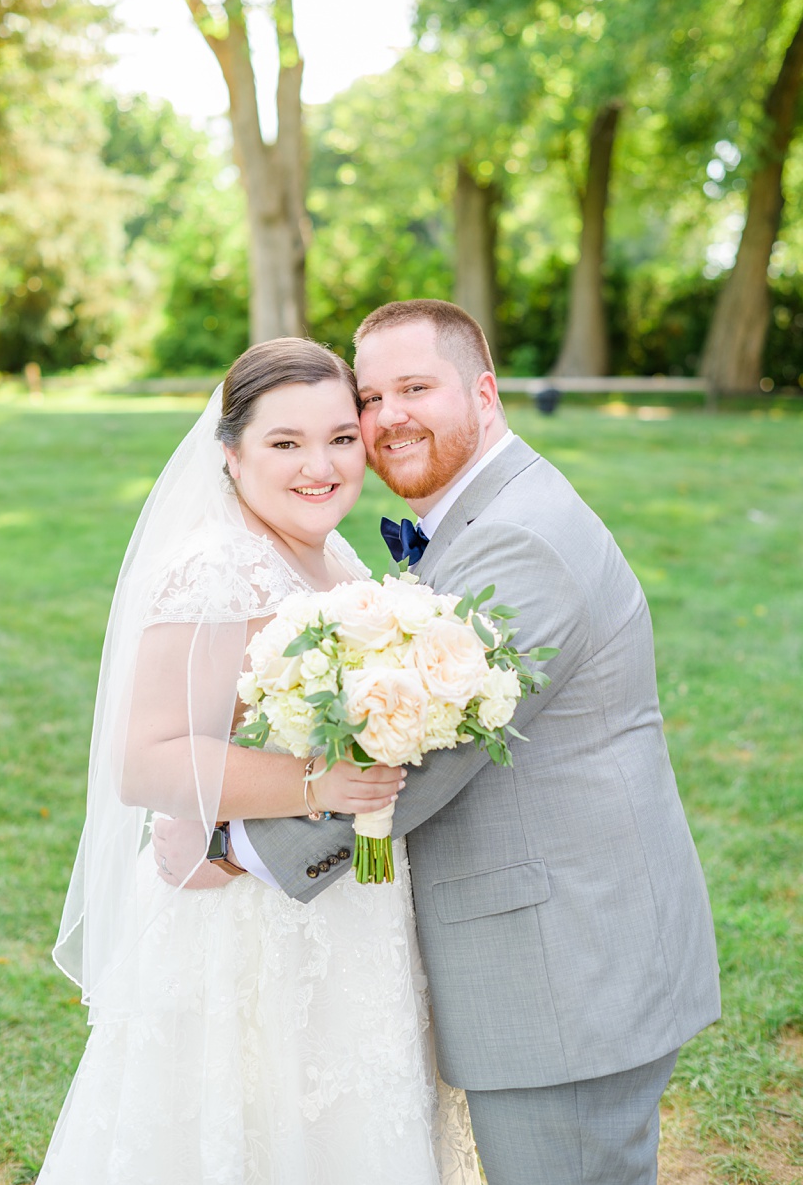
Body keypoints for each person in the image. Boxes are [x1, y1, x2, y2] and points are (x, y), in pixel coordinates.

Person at [154, 300, 719, 1184]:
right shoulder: (478, 511)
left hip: (565, 975)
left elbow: (419, 756)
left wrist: (231, 849)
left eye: (416, 387)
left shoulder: (517, 537)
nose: (388, 420)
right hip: (552, 955)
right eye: (371, 397)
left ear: (485, 392)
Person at [41, 338, 481, 1184]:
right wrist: (316, 784)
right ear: (230, 452)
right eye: (285, 443)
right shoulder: (215, 571)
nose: (320, 465)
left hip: (341, 906)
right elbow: (144, 759)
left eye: (340, 439)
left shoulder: (339, 558)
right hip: (247, 937)